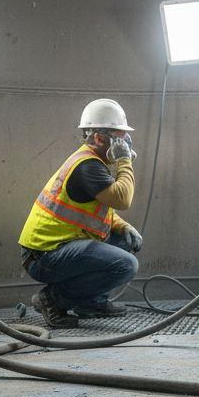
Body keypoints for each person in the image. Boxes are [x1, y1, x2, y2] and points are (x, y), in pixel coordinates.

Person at [17, 98, 145, 327]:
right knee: (126, 265)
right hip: (44, 256)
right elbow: (122, 199)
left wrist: (123, 226)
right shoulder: (88, 166)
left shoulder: (94, 161)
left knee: (123, 241)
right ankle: (52, 300)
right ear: (98, 137)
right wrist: (125, 161)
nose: (125, 142)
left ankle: (89, 302)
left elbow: (98, 209)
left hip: (59, 247)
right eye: (119, 137)